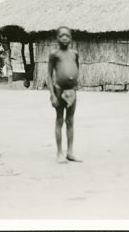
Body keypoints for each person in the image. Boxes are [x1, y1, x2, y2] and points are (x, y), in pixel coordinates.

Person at [47, 26, 82, 163]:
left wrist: (75, 85)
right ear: (57, 38)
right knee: (60, 120)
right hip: (59, 90)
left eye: (67, 35)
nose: (64, 38)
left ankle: (70, 152)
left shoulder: (74, 53)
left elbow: (77, 68)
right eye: (61, 36)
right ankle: (59, 153)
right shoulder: (54, 54)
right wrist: (52, 95)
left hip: (72, 91)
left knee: (70, 121)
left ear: (71, 38)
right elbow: (49, 76)